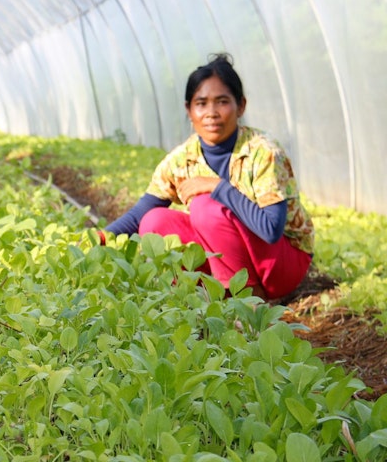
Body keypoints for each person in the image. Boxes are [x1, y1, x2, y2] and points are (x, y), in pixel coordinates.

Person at [101, 53, 313, 301]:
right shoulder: (182, 158)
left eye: (222, 102)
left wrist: (218, 187)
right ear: (189, 110)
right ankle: (189, 299)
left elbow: (271, 230)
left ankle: (246, 301)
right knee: (154, 221)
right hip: (234, 255)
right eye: (201, 104)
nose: (211, 113)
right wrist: (101, 238)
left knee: (205, 206)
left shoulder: (263, 152)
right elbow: (141, 213)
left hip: (280, 263)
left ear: (241, 106)